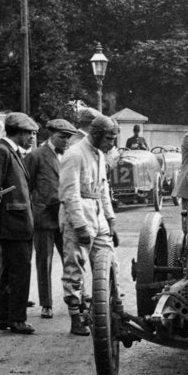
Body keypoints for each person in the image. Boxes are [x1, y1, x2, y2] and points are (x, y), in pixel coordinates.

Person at [59, 115, 118, 337]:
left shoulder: (100, 155)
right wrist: (80, 225)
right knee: (75, 267)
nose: (112, 143)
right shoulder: (74, 154)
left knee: (109, 262)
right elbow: (69, 193)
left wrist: (111, 220)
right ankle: (76, 316)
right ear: (95, 134)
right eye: (109, 138)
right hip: (79, 215)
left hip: (98, 214)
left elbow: (103, 190)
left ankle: (104, 309)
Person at [0, 112, 39, 335]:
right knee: (20, 272)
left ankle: (5, 316)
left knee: (10, 271)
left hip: (17, 224)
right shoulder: (1, 151)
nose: (32, 138)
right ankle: (17, 319)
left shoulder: (12, 152)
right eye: (29, 134)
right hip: (11, 225)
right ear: (17, 132)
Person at [24, 118, 76, 320]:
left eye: (69, 138)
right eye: (62, 137)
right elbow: (26, 186)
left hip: (64, 216)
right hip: (44, 217)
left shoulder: (70, 156)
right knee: (43, 263)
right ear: (51, 135)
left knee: (70, 260)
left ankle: (76, 297)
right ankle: (46, 304)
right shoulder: (36, 156)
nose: (66, 141)